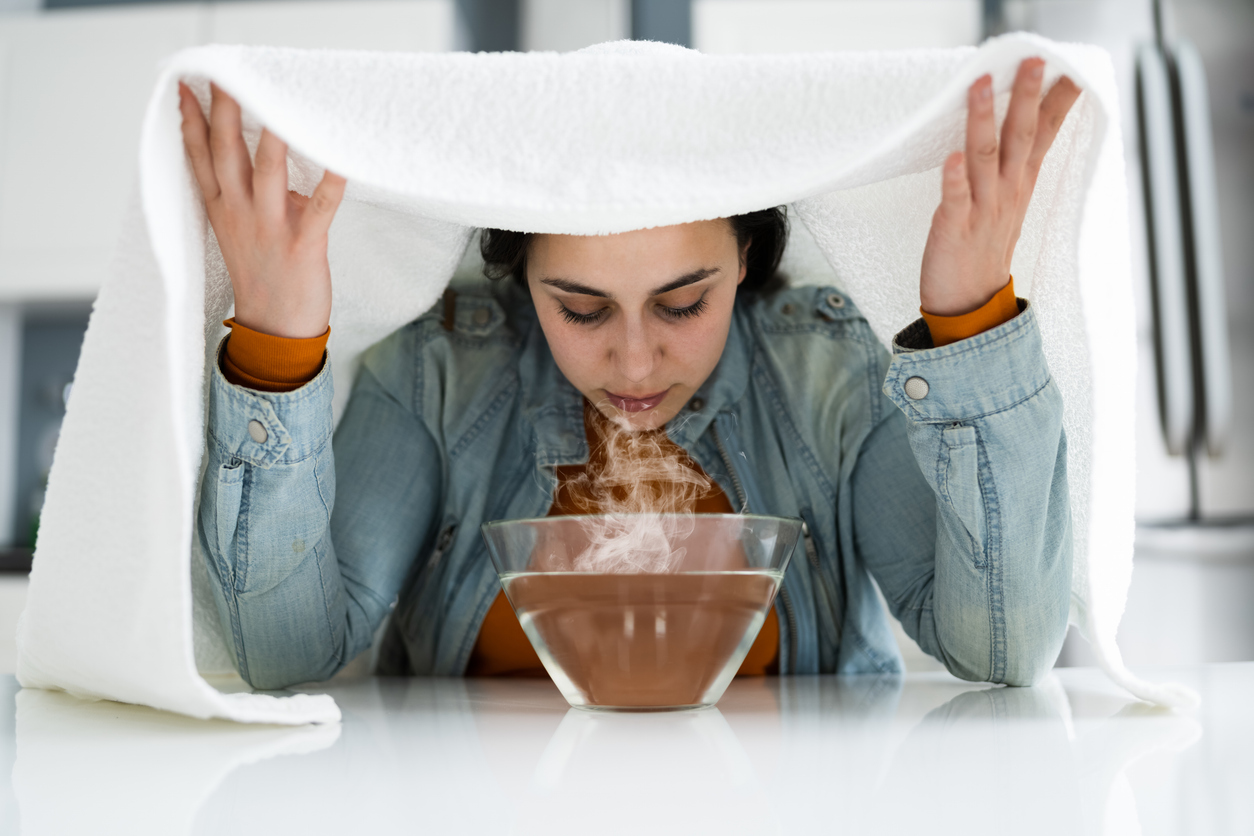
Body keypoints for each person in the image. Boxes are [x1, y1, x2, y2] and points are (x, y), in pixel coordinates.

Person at [182, 58, 1081, 690]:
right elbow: (279, 656)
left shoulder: (831, 375)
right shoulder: (436, 373)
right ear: (519, 280)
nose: (636, 361)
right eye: (580, 309)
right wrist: (277, 342)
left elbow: (1004, 650)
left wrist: (972, 321)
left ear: (746, 261)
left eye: (684, 303)